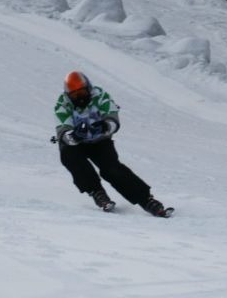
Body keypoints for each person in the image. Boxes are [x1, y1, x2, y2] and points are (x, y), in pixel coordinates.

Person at [53, 70, 171, 216]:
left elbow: (113, 118)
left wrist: (106, 126)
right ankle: (96, 192)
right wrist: (74, 136)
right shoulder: (63, 104)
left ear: (88, 88)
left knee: (111, 169)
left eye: (82, 93)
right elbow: (63, 129)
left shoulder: (100, 96)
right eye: (75, 96)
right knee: (69, 154)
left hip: (99, 140)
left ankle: (146, 199)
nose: (80, 98)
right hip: (77, 145)